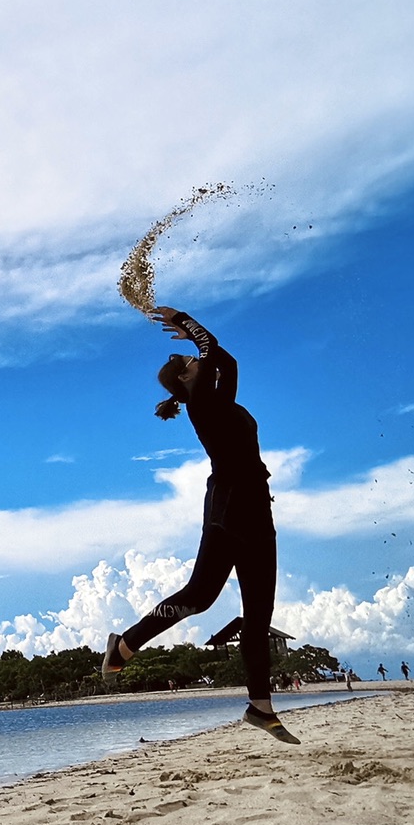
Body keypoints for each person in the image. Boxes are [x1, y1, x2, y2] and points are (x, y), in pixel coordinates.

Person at [102, 307, 297, 744]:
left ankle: (260, 707)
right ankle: (125, 646)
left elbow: (226, 362)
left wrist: (195, 338)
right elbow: (210, 350)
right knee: (200, 597)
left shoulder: (220, 398)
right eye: (190, 365)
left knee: (258, 612)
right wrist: (184, 321)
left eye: (192, 360)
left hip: (255, 506)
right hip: (228, 509)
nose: (196, 361)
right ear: (187, 383)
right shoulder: (203, 405)